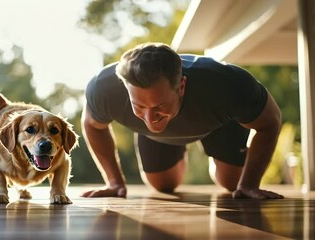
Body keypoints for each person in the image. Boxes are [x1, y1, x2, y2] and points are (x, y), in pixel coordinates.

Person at [81, 42, 284, 199]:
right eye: (140, 106)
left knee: (232, 183)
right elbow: (92, 125)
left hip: (219, 122)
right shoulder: (104, 89)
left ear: (182, 87)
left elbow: (270, 121)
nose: (150, 119)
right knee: (162, 185)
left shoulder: (228, 84)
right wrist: (114, 182)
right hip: (158, 138)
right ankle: (177, 148)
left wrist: (249, 183)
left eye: (159, 106)